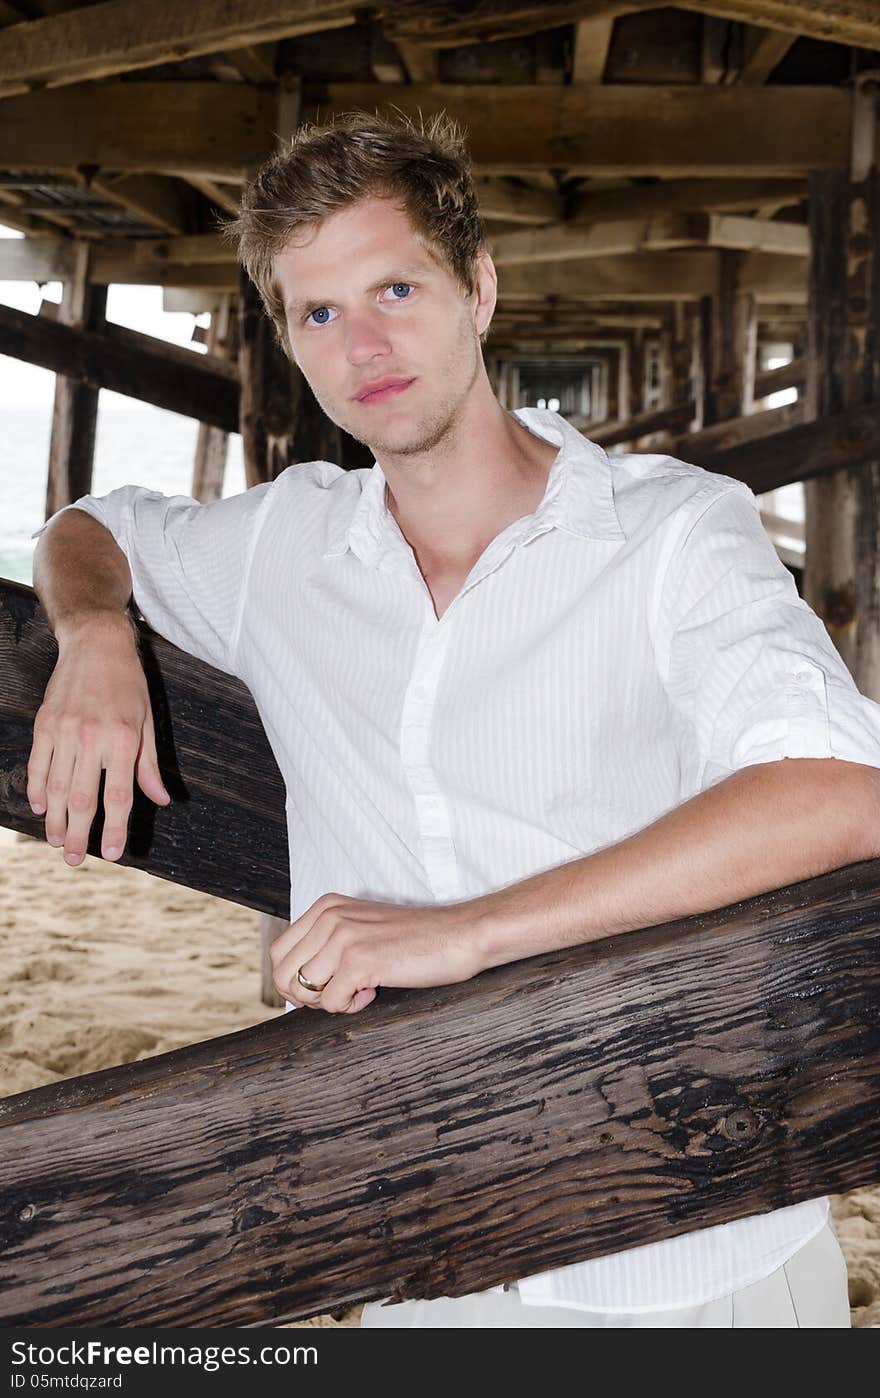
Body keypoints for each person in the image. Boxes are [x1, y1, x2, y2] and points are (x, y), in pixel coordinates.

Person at [28, 110, 880, 1328]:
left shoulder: (668, 531)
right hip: (425, 1249)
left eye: (394, 288)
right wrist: (97, 634)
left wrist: (465, 932)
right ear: (286, 343)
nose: (362, 345)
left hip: (697, 1246)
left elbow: (838, 792)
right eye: (318, 313)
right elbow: (89, 528)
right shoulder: (282, 542)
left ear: (477, 288)